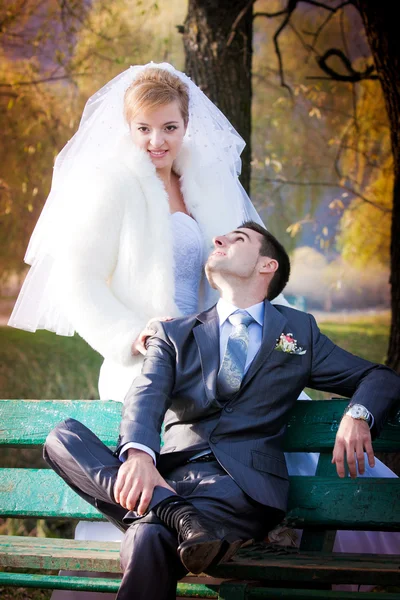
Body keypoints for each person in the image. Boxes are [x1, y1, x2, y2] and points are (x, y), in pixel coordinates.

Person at [44, 222, 400, 600]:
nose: (218, 240)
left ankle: (170, 513)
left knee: (146, 533)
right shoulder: (174, 334)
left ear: (267, 266)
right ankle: (177, 514)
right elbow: (146, 395)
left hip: (240, 488)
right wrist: (139, 455)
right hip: (171, 477)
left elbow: (380, 377)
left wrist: (358, 414)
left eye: (238, 239)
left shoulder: (299, 332)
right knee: (61, 438)